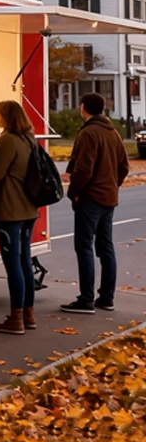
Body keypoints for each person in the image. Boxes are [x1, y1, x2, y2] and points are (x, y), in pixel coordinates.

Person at [61, 93, 129, 314]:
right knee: (106, 247)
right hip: (108, 196)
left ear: (83, 108)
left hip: (91, 197)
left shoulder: (89, 133)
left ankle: (86, 298)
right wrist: (113, 184)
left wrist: (74, 192)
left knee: (84, 246)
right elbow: (124, 165)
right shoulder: (113, 133)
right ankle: (107, 297)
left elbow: (83, 169)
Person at [0, 100, 39, 334]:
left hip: (10, 209)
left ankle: (15, 317)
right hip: (29, 209)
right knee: (25, 259)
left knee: (12, 262)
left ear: (6, 117)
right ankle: (28, 312)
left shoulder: (7, 140)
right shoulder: (29, 139)